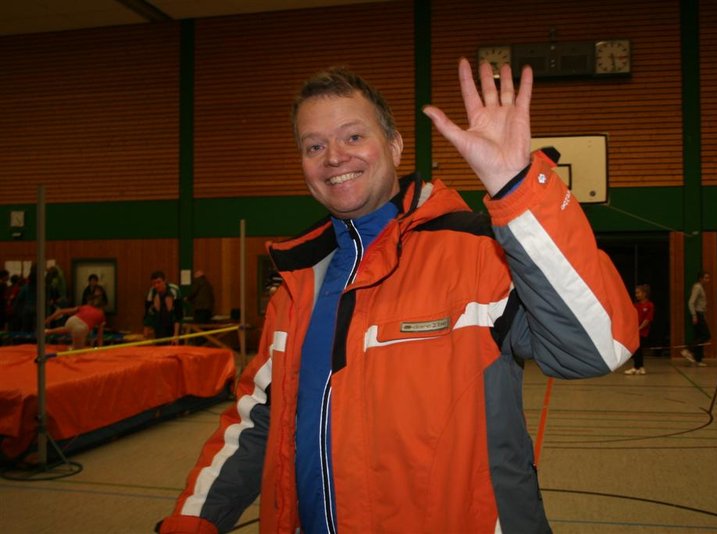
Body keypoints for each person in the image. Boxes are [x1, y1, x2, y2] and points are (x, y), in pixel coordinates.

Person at [158, 60, 638, 534]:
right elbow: (257, 420)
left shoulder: (479, 252)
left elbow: (597, 348)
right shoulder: (299, 284)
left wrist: (516, 188)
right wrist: (192, 521)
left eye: (353, 136)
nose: (334, 157)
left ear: (394, 145)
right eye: (314, 145)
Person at [143, 271, 182, 343]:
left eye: (159, 282)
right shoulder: (152, 291)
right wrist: (145, 336)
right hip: (160, 322)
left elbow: (178, 314)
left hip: (172, 322)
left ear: (164, 281)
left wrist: (176, 335)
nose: (156, 286)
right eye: (154, 283)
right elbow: (147, 314)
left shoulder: (174, 290)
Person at [682, 271, 711, 367]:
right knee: (706, 335)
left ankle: (698, 359)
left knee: (698, 336)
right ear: (700, 278)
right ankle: (687, 349)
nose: (708, 280)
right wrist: (694, 315)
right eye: (706, 278)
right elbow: (691, 302)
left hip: (701, 314)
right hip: (697, 314)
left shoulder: (701, 287)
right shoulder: (697, 287)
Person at [624, 284, 654, 375]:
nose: (636, 295)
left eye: (638, 293)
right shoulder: (636, 305)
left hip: (642, 332)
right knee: (638, 350)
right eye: (636, 293)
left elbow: (647, 319)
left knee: (638, 349)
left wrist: (639, 328)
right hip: (635, 331)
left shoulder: (649, 305)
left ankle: (636, 367)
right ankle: (640, 367)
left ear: (644, 293)